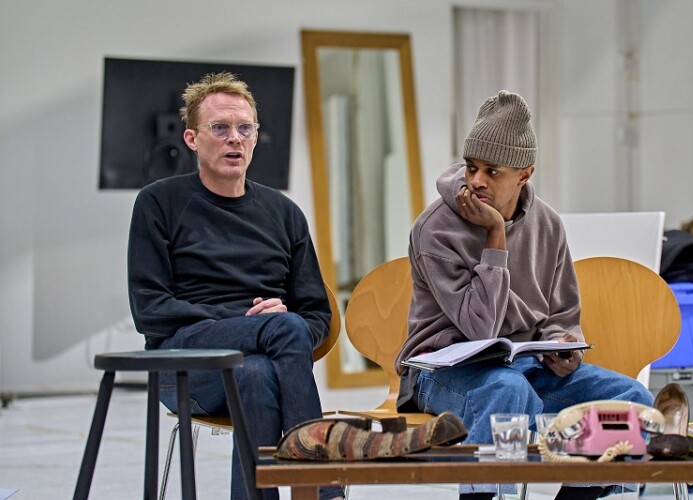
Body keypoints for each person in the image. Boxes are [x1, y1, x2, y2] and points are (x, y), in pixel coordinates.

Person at [394, 90, 654, 500]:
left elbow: (562, 312)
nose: (476, 181)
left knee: (632, 399)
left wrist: (566, 346)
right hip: (439, 370)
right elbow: (480, 327)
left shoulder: (547, 224)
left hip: (524, 366)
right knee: (506, 390)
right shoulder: (435, 227)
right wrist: (495, 236)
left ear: (524, 174)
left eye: (492, 171)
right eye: (471, 167)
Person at [127, 72, 344, 500]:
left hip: (257, 362)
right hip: (184, 363)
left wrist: (276, 323)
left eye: (245, 128)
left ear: (256, 136)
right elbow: (149, 309)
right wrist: (249, 322)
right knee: (281, 328)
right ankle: (322, 491)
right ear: (192, 139)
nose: (235, 139)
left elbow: (316, 315)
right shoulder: (158, 202)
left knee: (257, 371)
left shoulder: (285, 213)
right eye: (220, 128)